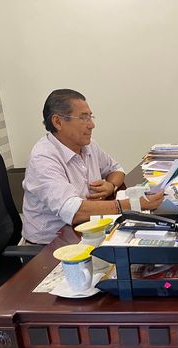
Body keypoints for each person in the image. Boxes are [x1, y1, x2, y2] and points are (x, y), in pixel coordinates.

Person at [22, 89, 164, 244]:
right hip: (51, 246)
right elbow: (74, 211)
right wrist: (134, 205)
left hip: (87, 231)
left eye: (90, 117)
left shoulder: (88, 145)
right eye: (83, 118)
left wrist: (111, 185)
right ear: (58, 122)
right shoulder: (43, 158)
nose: (92, 125)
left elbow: (116, 169)